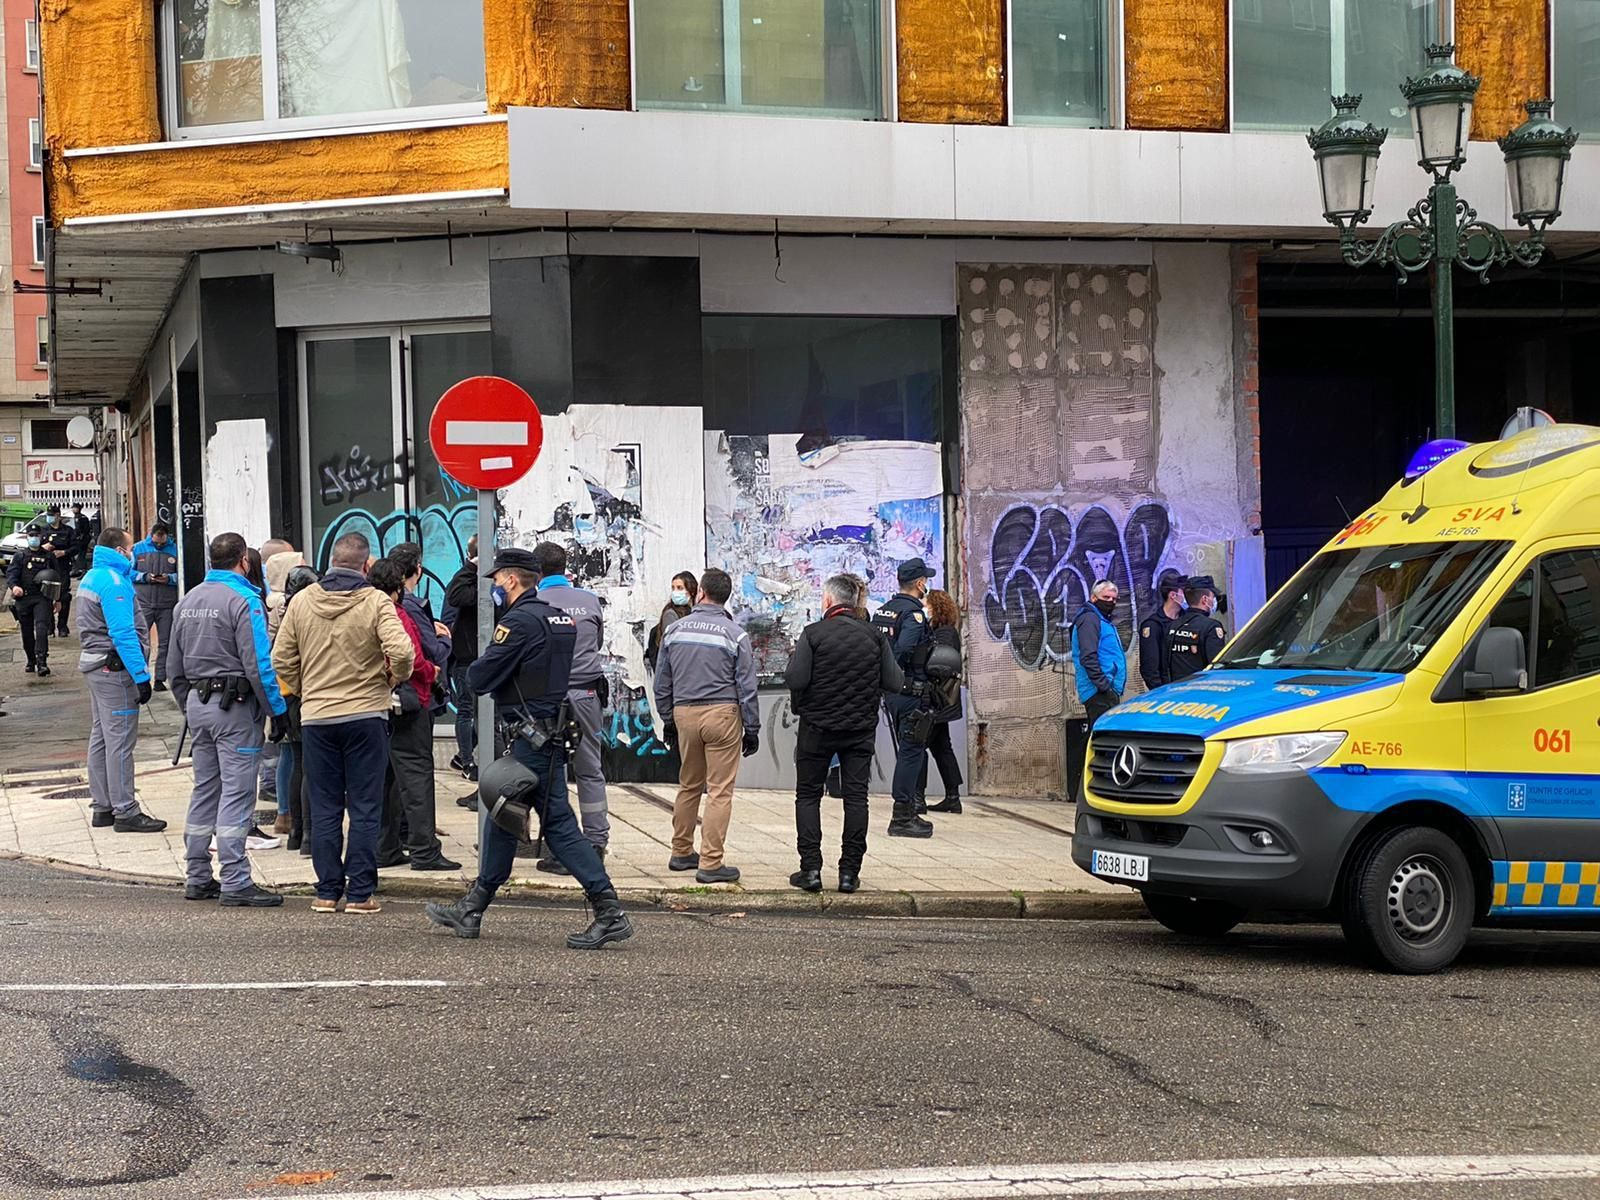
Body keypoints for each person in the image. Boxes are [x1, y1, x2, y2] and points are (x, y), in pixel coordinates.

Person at [425, 547, 633, 949]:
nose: (495, 587)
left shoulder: (519, 621)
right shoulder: (559, 619)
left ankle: (609, 911)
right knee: (504, 815)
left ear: (512, 579)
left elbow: (480, 678)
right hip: (548, 729)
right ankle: (473, 907)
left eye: (497, 580)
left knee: (556, 826)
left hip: (532, 736)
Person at [272, 532, 415, 916]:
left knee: (325, 806)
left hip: (318, 717)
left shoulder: (303, 601)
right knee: (366, 805)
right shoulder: (375, 601)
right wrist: (392, 679)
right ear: (366, 565)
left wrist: (305, 688)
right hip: (366, 714)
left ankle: (326, 892)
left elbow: (281, 658)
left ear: (331, 561)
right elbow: (403, 651)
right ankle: (360, 894)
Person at [166, 531, 288, 907]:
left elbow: (173, 668)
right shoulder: (245, 601)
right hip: (234, 708)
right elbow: (258, 664)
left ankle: (197, 875)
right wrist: (277, 711)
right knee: (237, 792)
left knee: (205, 789)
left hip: (198, 706)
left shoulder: (188, 601)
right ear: (244, 561)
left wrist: (189, 705)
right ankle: (235, 880)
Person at [785, 574, 903, 894]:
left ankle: (810, 870)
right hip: (859, 730)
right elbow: (894, 681)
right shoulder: (874, 636)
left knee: (808, 796)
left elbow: (796, 680)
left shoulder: (813, 634)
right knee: (856, 798)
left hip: (817, 728)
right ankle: (849, 873)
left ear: (828, 600)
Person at [655, 567, 759, 885]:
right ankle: (711, 863)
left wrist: (668, 719)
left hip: (685, 713)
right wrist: (752, 727)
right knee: (719, 791)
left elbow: (662, 682)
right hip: (722, 716)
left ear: (700, 592)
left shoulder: (674, 631)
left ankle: (681, 851)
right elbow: (747, 686)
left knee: (689, 785)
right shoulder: (735, 635)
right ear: (726, 596)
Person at [369, 557, 459, 873]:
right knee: (416, 775)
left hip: (373, 705)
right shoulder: (398, 614)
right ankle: (424, 850)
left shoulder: (362, 610)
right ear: (398, 588)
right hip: (408, 701)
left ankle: (385, 847)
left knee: (386, 777)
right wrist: (430, 671)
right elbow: (411, 656)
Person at [76, 527, 165, 832]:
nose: (134, 552)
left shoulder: (92, 576)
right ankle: (126, 810)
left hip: (96, 666)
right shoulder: (114, 582)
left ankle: (103, 807)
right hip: (114, 670)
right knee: (120, 742)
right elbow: (123, 633)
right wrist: (141, 674)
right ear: (119, 551)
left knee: (101, 736)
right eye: (131, 547)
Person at [532, 541, 609, 873]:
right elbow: (597, 643)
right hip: (587, 694)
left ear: (537, 571)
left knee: (551, 771)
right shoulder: (590, 600)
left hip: (549, 698)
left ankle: (560, 846)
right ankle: (596, 842)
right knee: (590, 769)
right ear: (565, 567)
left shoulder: (535, 603)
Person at [873, 557, 938, 839]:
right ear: (920, 583)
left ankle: (908, 809)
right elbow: (902, 651)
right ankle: (901, 816)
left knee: (907, 750)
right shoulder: (914, 615)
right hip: (911, 692)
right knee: (911, 753)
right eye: (926, 580)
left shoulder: (882, 612)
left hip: (892, 693)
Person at [922, 588, 965, 815]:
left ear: (935, 608)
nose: (925, 609)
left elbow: (937, 666)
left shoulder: (944, 634)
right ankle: (952, 796)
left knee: (919, 746)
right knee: (941, 747)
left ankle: (918, 796)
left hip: (936, 700)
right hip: (942, 700)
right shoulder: (946, 632)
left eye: (927, 605)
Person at [443, 536, 481, 785]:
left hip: (482, 657)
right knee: (467, 709)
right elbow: (452, 609)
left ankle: (462, 757)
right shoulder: (461, 583)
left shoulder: (493, 582)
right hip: (466, 658)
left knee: (487, 712)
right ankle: (467, 761)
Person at [1072, 579, 1127, 735]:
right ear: (1093, 598)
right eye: (1106, 597)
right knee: (1102, 737)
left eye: (1114, 599)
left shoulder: (1101, 620)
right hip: (1098, 692)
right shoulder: (1090, 619)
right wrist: (1104, 687)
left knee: (1104, 736)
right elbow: (1088, 657)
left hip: (1105, 690)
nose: (1111, 602)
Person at [131, 523, 180, 691]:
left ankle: (160, 678)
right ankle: (141, 677)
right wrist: (145, 577)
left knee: (165, 643)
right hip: (143, 603)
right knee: (141, 641)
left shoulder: (175, 549)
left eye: (162, 542)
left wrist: (170, 579)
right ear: (151, 535)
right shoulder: (138, 549)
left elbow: (182, 574)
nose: (159, 545)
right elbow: (128, 572)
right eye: (156, 542)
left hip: (167, 604)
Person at [7, 526, 58, 676]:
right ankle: (31, 660)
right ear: (27, 537)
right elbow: (12, 574)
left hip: (42, 598)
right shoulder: (20, 556)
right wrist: (14, 587)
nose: (34, 538)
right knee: (27, 631)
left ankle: (42, 661)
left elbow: (57, 578)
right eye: (31, 535)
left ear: (41, 536)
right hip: (24, 598)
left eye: (37, 535)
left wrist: (58, 599)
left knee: (42, 628)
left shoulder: (49, 556)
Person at [1167, 575, 1228, 681]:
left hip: (1176, 687)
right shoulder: (1211, 627)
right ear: (1204, 599)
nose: (1214, 600)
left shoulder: (1172, 626)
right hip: (1201, 687)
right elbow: (1216, 666)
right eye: (1213, 597)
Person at [1138, 570, 1187, 693]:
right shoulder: (1153, 625)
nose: (1188, 595)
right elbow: (1150, 668)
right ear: (1173, 595)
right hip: (1166, 692)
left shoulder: (1187, 621)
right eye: (1184, 592)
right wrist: (1162, 693)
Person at [645, 571, 697, 672]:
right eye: (673, 588)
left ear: (691, 591)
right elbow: (674, 647)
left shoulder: (694, 611)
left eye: (680, 588)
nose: (675, 592)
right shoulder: (670, 614)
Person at [40, 505, 76, 637]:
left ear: (58, 515)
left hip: (63, 567)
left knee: (64, 596)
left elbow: (76, 547)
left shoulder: (68, 531)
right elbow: (34, 548)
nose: (49, 517)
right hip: (47, 568)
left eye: (51, 515)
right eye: (48, 515)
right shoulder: (43, 531)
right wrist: (43, 547)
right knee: (47, 596)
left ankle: (62, 626)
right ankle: (50, 627)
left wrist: (64, 552)